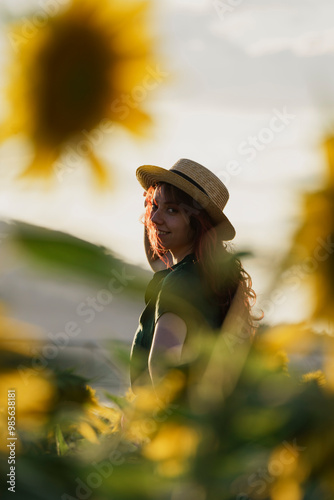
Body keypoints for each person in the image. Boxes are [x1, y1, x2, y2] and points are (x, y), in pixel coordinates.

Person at [130, 158, 257, 394]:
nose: (155, 219)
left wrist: (151, 418)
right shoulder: (205, 278)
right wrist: (157, 212)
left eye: (172, 210)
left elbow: (161, 367)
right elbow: (158, 261)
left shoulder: (179, 283)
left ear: (197, 224)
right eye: (154, 207)